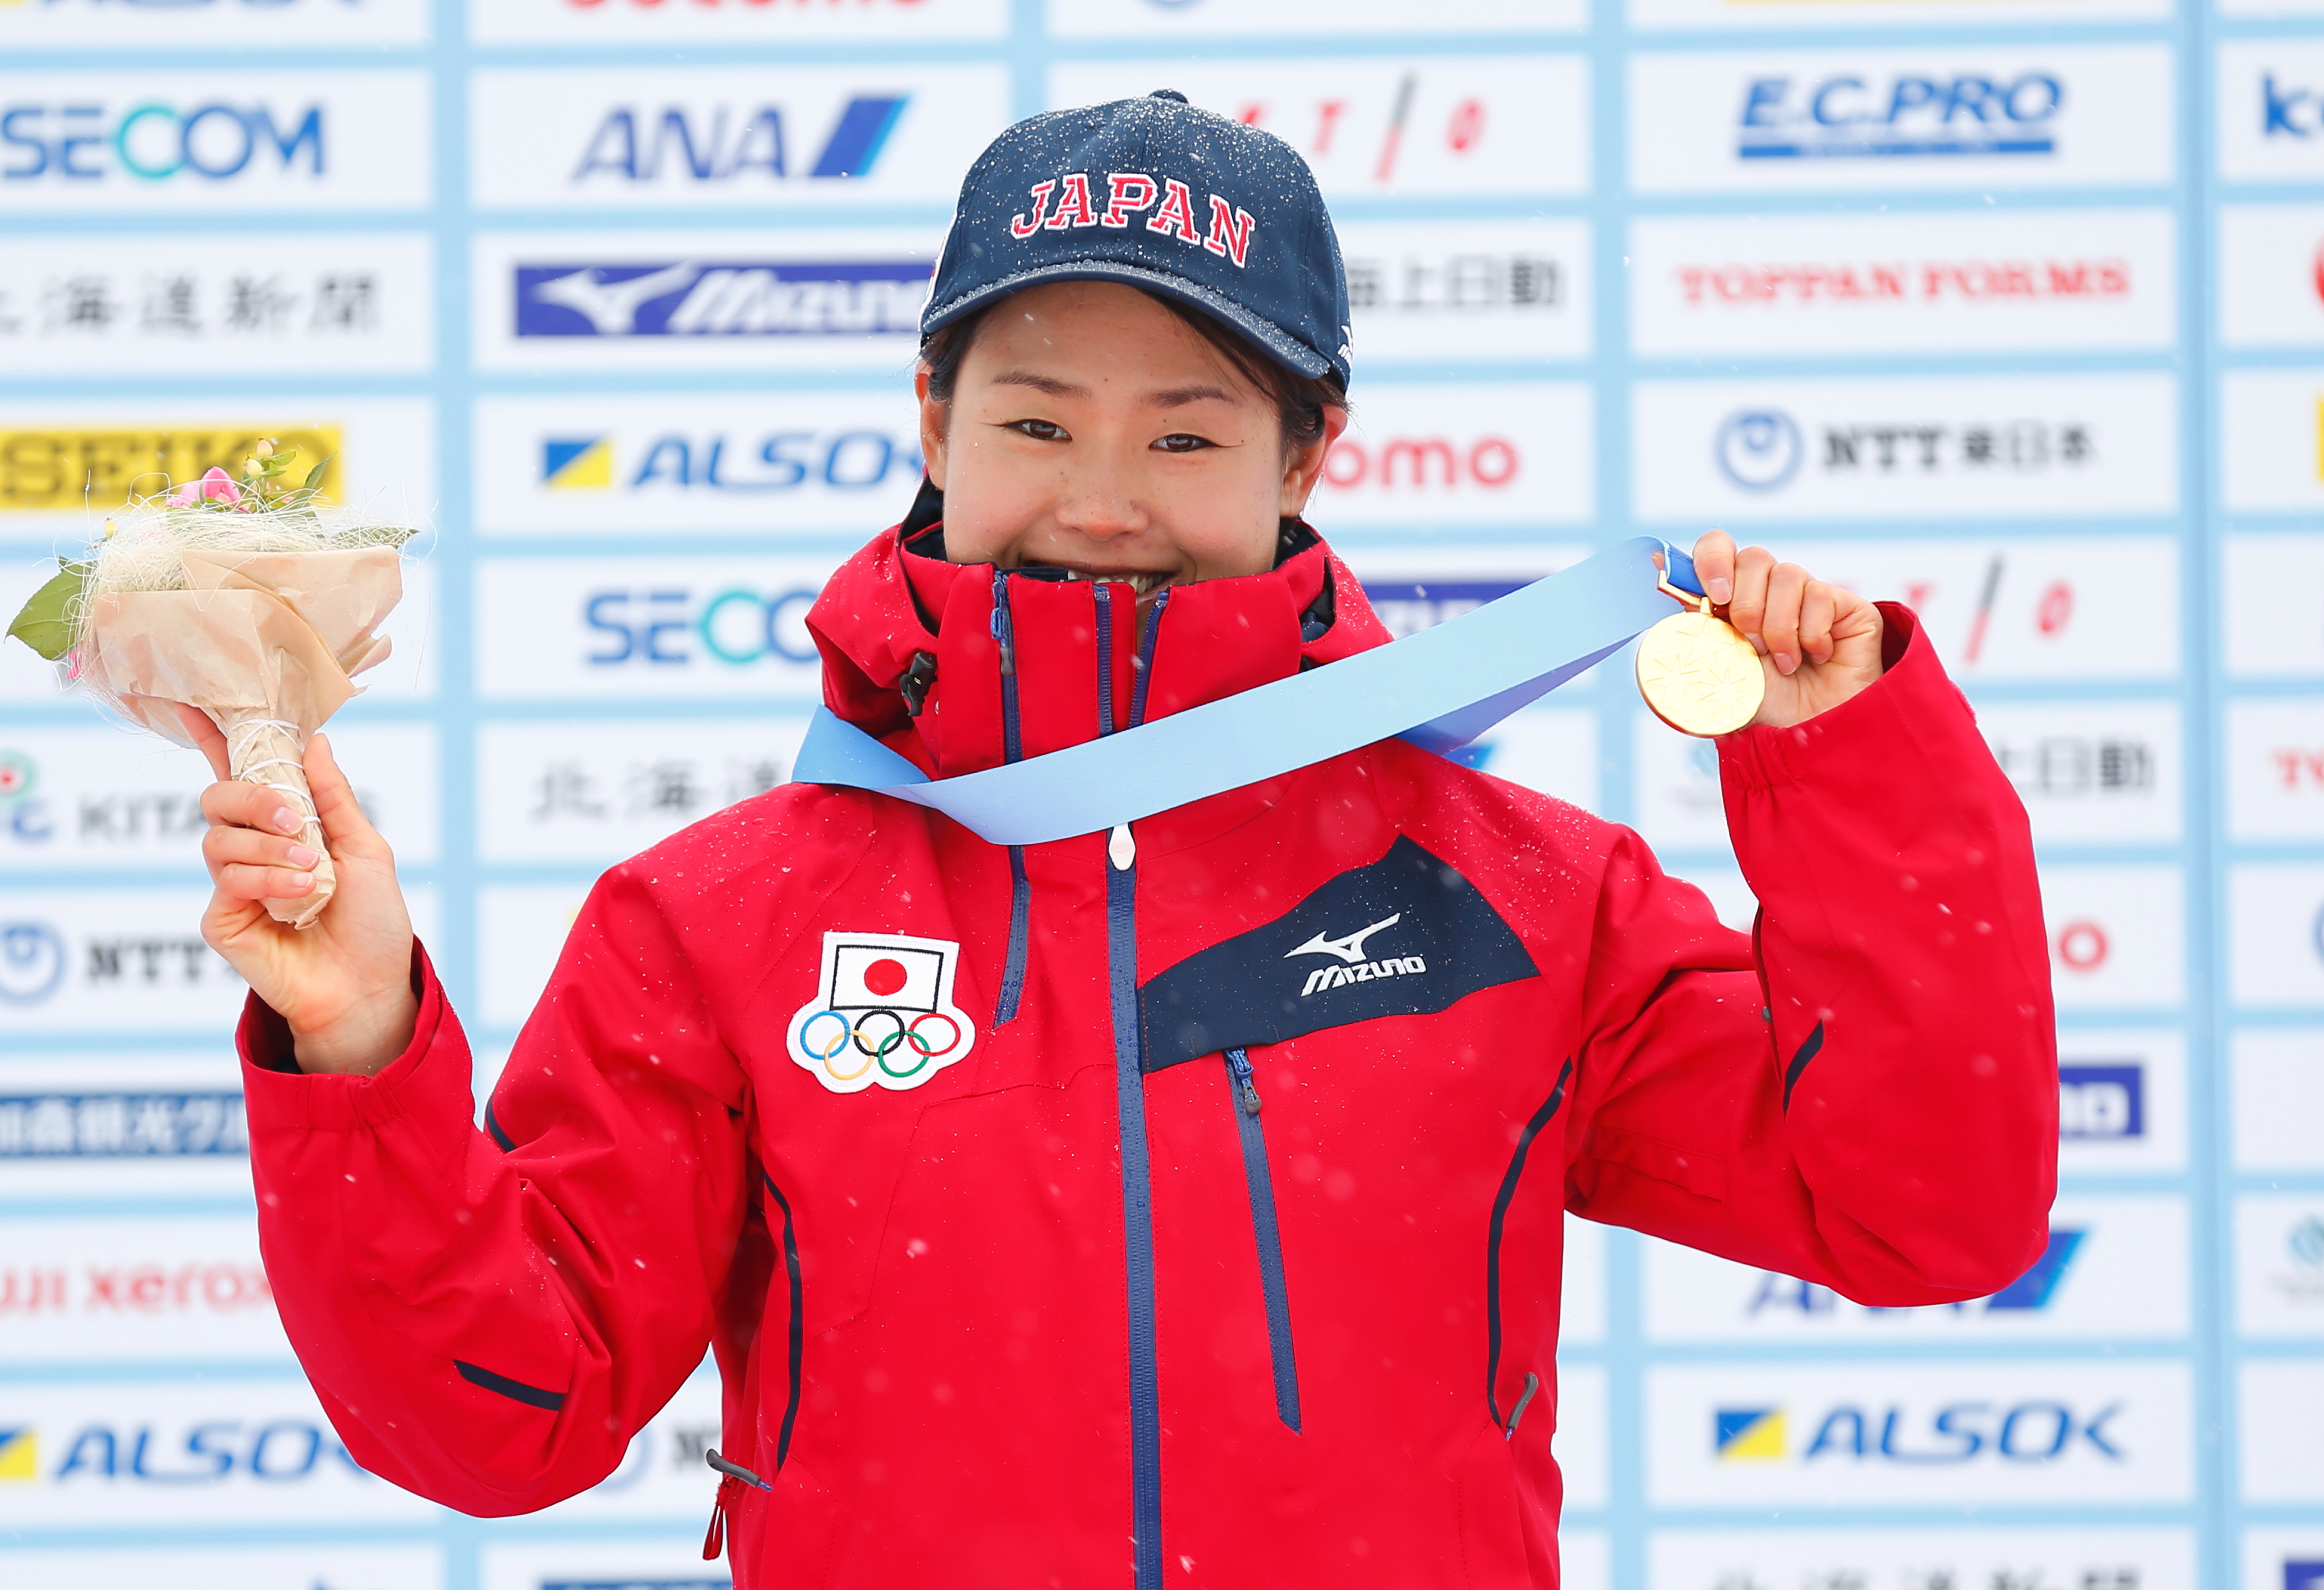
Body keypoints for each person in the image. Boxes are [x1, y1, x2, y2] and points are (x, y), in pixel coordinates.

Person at [189, 92, 2055, 1590]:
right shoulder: (721, 919)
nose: (1097, 499)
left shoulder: (1516, 898)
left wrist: (1852, 766)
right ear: (929, 416)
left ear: (1307, 449)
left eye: (1183, 435)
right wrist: (358, 1048)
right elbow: (504, 1420)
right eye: (1031, 416)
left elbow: (1917, 1211)